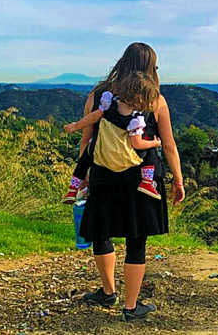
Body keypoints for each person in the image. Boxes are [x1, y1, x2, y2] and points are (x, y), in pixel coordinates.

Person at [77, 42, 185, 322]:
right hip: (141, 178)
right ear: (150, 68)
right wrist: (178, 180)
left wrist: (83, 173)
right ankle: (131, 306)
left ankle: (107, 291)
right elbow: (169, 145)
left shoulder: (99, 94)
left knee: (102, 232)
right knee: (137, 241)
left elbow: (86, 138)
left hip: (103, 173)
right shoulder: (155, 100)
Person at [62, 72, 163, 202]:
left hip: (101, 154)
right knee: (149, 151)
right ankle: (147, 182)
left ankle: (73, 189)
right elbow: (137, 144)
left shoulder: (108, 103)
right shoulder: (136, 120)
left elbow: (93, 117)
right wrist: (154, 143)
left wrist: (76, 126)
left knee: (86, 156)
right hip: (123, 159)